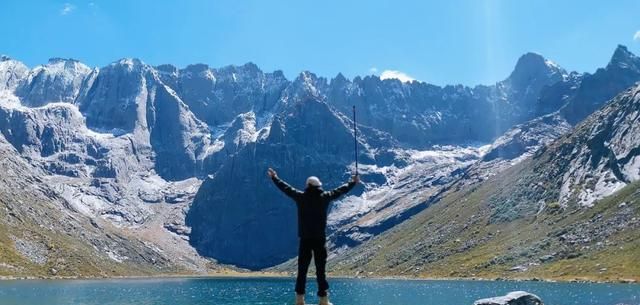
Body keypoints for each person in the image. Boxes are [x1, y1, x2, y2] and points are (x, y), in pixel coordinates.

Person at [268, 167, 359, 305]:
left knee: (302, 270)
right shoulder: (325, 197)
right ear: (319, 186)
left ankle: (299, 300)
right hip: (319, 239)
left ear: (308, 185)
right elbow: (341, 190)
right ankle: (323, 300)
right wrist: (353, 182)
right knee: (320, 270)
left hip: (305, 239)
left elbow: (286, 188)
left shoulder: (301, 197)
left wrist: (275, 178)